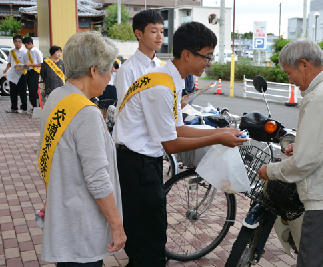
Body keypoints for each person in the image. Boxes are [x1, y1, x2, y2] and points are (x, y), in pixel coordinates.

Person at [113, 21, 248, 267]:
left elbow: (176, 128)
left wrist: (220, 130)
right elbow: (171, 144)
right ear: (187, 54)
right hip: (137, 166)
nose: (209, 62)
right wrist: (218, 138)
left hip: (140, 163)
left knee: (145, 239)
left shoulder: (167, 78)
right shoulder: (162, 86)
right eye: (206, 56)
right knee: (151, 247)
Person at [257, 38, 323, 267]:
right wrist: (303, 142)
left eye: (289, 73)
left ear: (304, 65)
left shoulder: (320, 97)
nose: (290, 80)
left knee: (312, 262)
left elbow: (306, 161)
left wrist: (271, 170)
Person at [37, 31, 126, 267]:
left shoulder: (57, 97)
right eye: (108, 70)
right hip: (81, 227)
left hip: (65, 216)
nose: (110, 77)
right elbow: (97, 178)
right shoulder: (85, 113)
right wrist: (117, 227)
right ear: (94, 70)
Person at [114, 9, 164, 116]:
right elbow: (125, 111)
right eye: (154, 31)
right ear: (139, 34)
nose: (160, 36)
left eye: (162, 31)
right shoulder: (127, 70)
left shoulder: (163, 67)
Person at [3, 35, 28, 114]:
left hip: (22, 74)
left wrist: (20, 66)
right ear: (13, 42)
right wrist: (6, 69)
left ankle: (24, 108)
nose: (17, 43)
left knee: (22, 92)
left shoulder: (25, 52)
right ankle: (13, 108)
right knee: (13, 91)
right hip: (13, 74)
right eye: (16, 41)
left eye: (19, 41)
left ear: (22, 43)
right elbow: (9, 63)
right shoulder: (11, 52)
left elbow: (28, 64)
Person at [23, 36, 43, 115]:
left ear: (30, 43)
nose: (25, 47)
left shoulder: (37, 51)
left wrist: (30, 64)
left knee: (34, 90)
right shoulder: (28, 52)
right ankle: (34, 107)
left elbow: (41, 64)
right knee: (30, 90)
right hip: (29, 71)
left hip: (35, 72)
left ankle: (37, 107)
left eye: (26, 45)